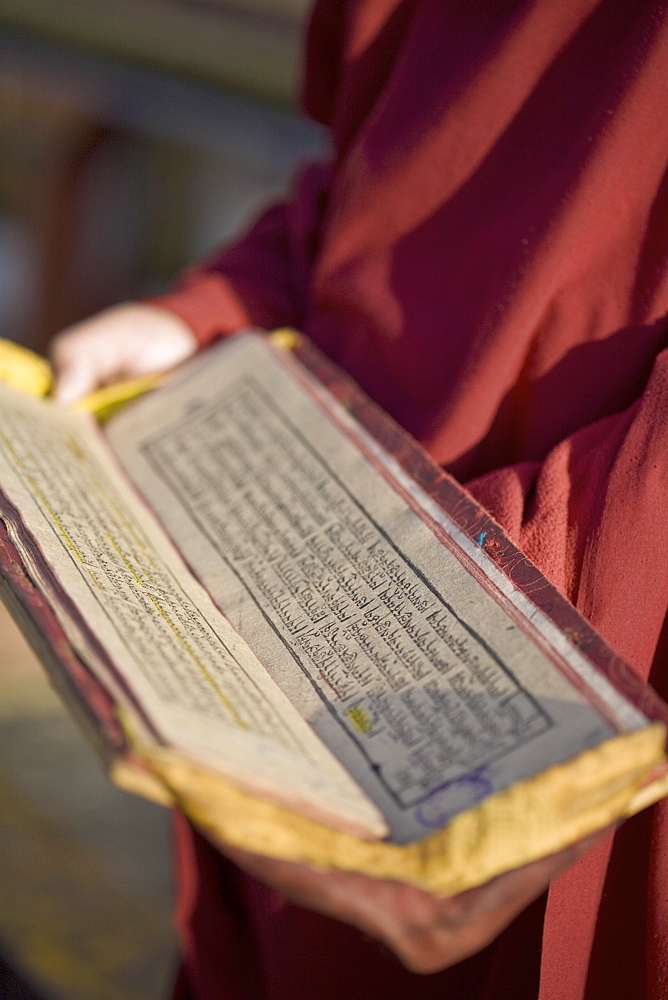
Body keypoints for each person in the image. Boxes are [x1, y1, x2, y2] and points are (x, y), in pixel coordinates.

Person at [51, 1, 668, 997]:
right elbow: (377, 179)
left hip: (546, 639)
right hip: (307, 567)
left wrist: (491, 575)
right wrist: (215, 311)